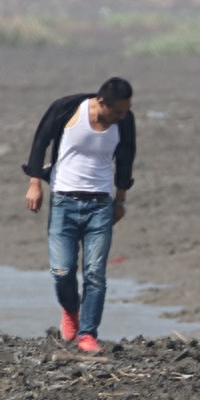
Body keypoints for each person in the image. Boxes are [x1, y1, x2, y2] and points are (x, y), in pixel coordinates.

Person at [22, 77, 136, 354]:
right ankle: (71, 310)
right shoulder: (67, 109)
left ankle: (88, 334)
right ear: (101, 102)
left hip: (100, 205)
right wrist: (35, 184)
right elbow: (41, 142)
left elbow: (126, 157)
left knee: (95, 274)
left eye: (125, 111)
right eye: (117, 112)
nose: (122, 117)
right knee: (62, 271)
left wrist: (120, 200)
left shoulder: (125, 120)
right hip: (64, 202)